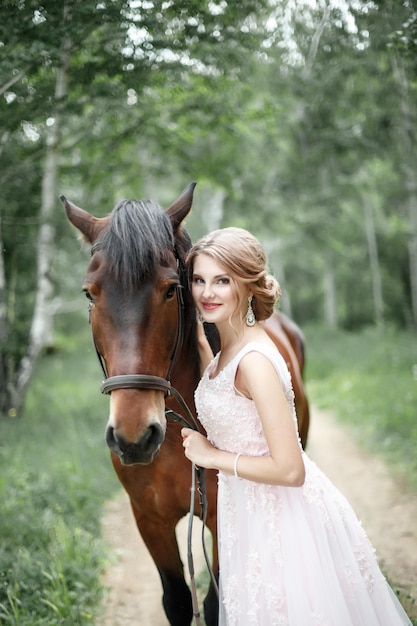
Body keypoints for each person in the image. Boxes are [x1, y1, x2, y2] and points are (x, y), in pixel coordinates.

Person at [181, 226, 412, 626]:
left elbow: (290, 469)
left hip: (282, 520)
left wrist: (212, 455)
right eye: (199, 280)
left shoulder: (254, 360)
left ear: (248, 285)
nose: (207, 292)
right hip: (246, 516)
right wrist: (203, 347)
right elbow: (224, 396)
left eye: (222, 280)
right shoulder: (226, 352)